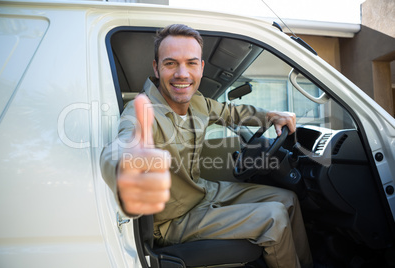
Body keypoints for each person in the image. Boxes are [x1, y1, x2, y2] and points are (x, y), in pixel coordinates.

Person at [100, 24, 313, 268]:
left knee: (288, 200)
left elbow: (231, 113)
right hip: (172, 220)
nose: (182, 73)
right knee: (274, 217)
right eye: (170, 63)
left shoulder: (198, 103)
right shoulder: (141, 111)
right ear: (156, 68)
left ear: (201, 67)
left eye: (191, 63)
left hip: (201, 192)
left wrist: (270, 116)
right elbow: (122, 146)